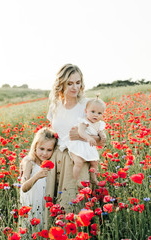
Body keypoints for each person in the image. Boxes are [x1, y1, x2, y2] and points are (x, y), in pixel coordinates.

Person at [44, 64, 106, 227]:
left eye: (78, 82)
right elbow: (53, 134)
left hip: (77, 160)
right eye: (70, 83)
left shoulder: (86, 105)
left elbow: (101, 140)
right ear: (61, 84)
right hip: (57, 159)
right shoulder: (55, 105)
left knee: (73, 208)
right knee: (55, 208)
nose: (75, 87)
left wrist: (80, 135)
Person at [19, 127, 58, 231]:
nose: (45, 153)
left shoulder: (49, 163)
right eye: (42, 149)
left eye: (49, 150)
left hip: (43, 205)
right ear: (35, 147)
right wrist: (37, 176)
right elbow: (23, 187)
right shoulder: (29, 162)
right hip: (31, 205)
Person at [66, 95, 107, 186]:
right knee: (79, 162)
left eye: (99, 113)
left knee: (95, 162)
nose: (96, 115)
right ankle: (76, 180)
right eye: (93, 112)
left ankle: (93, 178)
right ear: (86, 111)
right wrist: (88, 138)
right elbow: (80, 132)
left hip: (89, 146)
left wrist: (103, 136)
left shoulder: (98, 124)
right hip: (79, 145)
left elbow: (100, 131)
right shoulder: (84, 121)